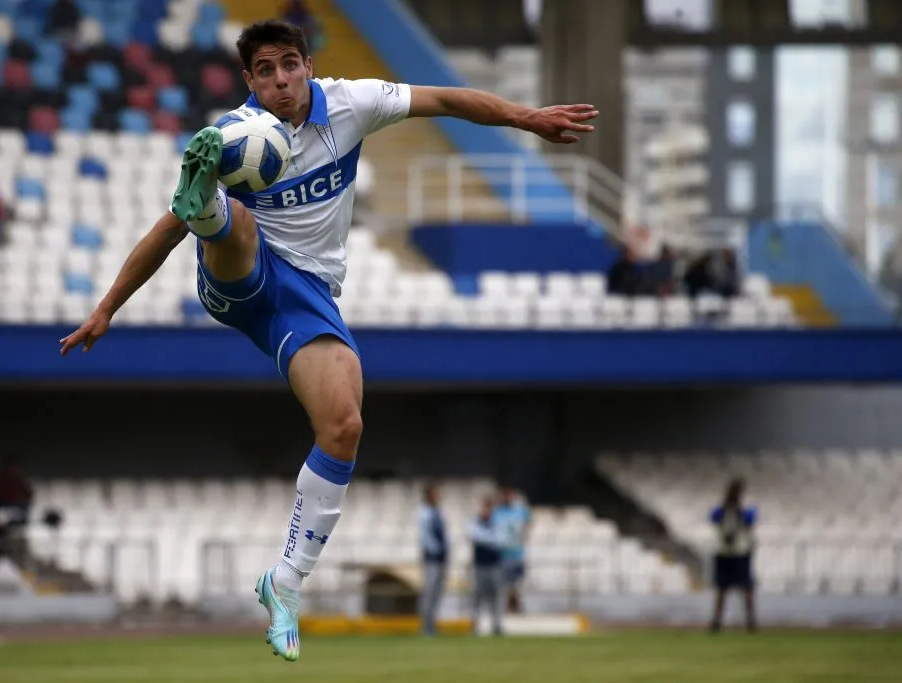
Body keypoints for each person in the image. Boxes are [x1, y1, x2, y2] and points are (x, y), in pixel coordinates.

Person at [59, 19, 598, 661]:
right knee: (233, 224)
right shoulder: (235, 136)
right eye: (265, 71)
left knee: (344, 425)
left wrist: (524, 117)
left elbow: (446, 99)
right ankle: (204, 203)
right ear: (249, 80)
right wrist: (107, 309)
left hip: (308, 296)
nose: (280, 80)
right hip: (240, 281)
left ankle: (285, 583)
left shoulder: (351, 104)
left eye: (289, 64)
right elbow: (162, 232)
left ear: (308, 65)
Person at [709, 478, 758, 633]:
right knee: (722, 588)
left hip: (740, 552)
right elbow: (713, 517)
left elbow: (750, 520)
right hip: (724, 552)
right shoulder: (722, 509)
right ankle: (717, 621)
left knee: (746, 588)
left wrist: (739, 509)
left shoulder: (745, 509)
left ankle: (750, 620)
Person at [469, 496, 505, 636]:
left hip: (494, 564)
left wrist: (486, 539)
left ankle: (496, 625)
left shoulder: (497, 522)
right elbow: (476, 537)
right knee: (478, 595)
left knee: (496, 595)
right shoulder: (475, 522)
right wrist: (489, 539)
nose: (487, 510)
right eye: (485, 507)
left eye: (489, 507)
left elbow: (500, 540)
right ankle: (475, 625)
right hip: (480, 565)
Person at [493, 485, 530, 613]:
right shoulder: (496, 512)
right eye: (505, 494)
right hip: (502, 555)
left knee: (517, 584)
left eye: (509, 494)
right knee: (504, 584)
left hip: (517, 553)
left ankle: (517, 605)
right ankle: (506, 607)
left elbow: (527, 525)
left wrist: (522, 537)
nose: (507, 497)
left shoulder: (520, 510)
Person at [417, 482, 448, 636]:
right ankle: (426, 625)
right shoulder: (424, 512)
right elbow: (425, 536)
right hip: (431, 558)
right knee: (429, 591)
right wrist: (436, 550)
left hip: (441, 557)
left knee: (437, 592)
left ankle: (432, 624)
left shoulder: (439, 512)